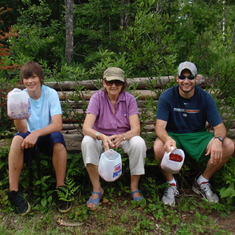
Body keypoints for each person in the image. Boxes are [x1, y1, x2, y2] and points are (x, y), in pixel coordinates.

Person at [154, 61, 234, 206]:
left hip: (198, 135)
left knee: (228, 145)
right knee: (158, 147)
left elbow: (220, 127)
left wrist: (218, 139)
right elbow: (159, 127)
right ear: (177, 78)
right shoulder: (167, 96)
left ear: (196, 79)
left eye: (190, 77)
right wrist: (167, 139)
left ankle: (202, 181)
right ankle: (171, 184)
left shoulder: (205, 98)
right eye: (182, 77)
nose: (186, 81)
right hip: (174, 135)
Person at [7, 61, 72, 215]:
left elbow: (57, 125)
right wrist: (16, 115)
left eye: (33, 77)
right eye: (26, 78)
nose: (30, 81)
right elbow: (23, 129)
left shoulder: (50, 94)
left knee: (58, 141)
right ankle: (13, 192)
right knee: (16, 140)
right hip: (27, 135)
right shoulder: (19, 96)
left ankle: (60, 189)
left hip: (46, 133)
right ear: (22, 80)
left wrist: (36, 133)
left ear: (41, 78)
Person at [81, 67, 147, 210]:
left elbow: (136, 129)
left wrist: (123, 136)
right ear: (104, 83)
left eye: (117, 82)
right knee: (87, 141)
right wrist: (101, 136)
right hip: (101, 137)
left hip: (123, 137)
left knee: (139, 143)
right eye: (110, 82)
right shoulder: (97, 98)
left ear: (123, 84)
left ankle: (134, 188)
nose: (113, 86)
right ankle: (97, 189)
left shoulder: (129, 99)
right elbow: (86, 128)